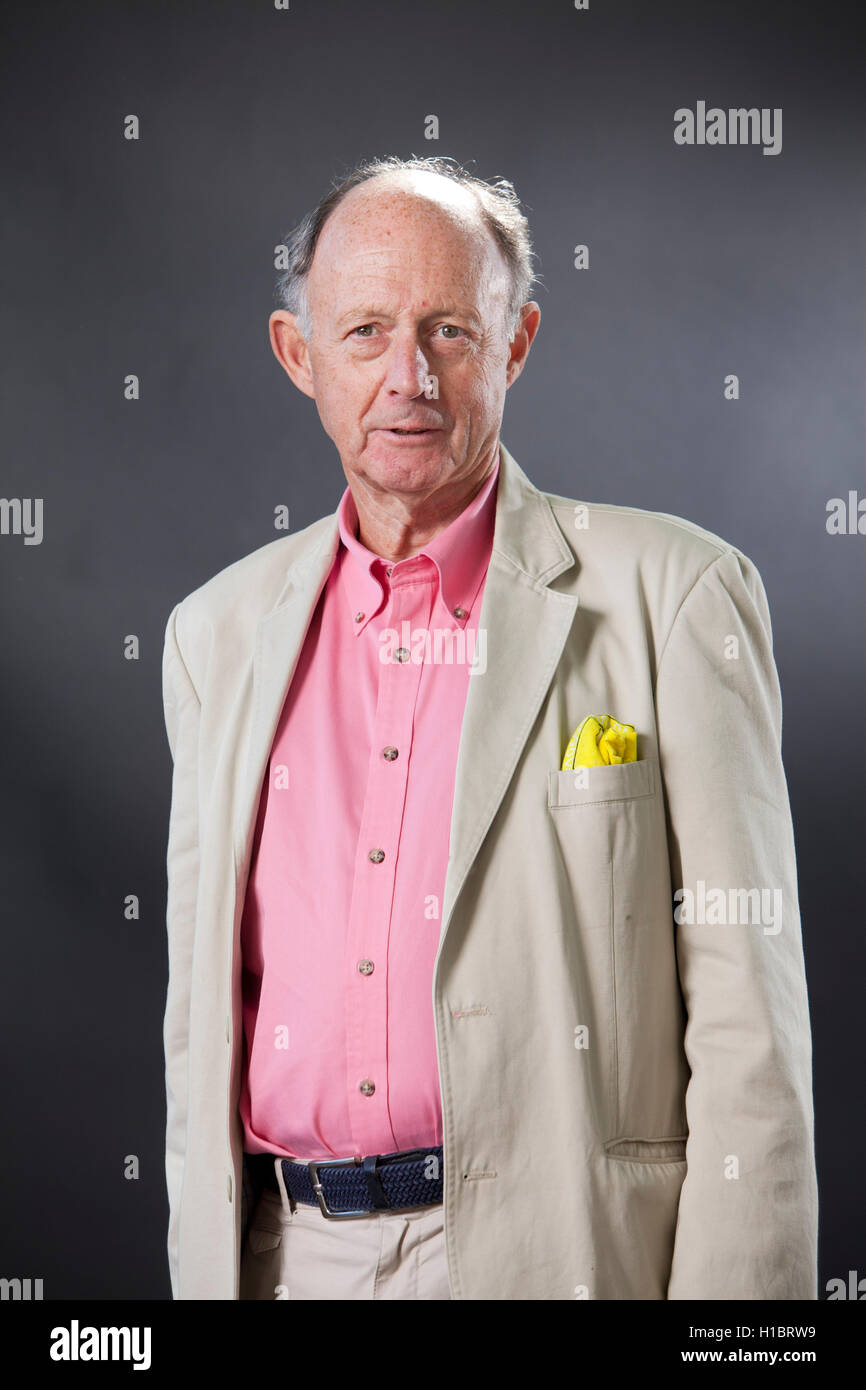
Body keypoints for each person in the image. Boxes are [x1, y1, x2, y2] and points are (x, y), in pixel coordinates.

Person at [161, 154, 818, 1300]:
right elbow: (197, 1029)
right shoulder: (212, 636)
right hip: (280, 1260)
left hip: (556, 1253)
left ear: (513, 347)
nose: (406, 376)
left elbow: (748, 1033)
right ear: (296, 354)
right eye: (363, 331)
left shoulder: (673, 595)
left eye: (450, 331)